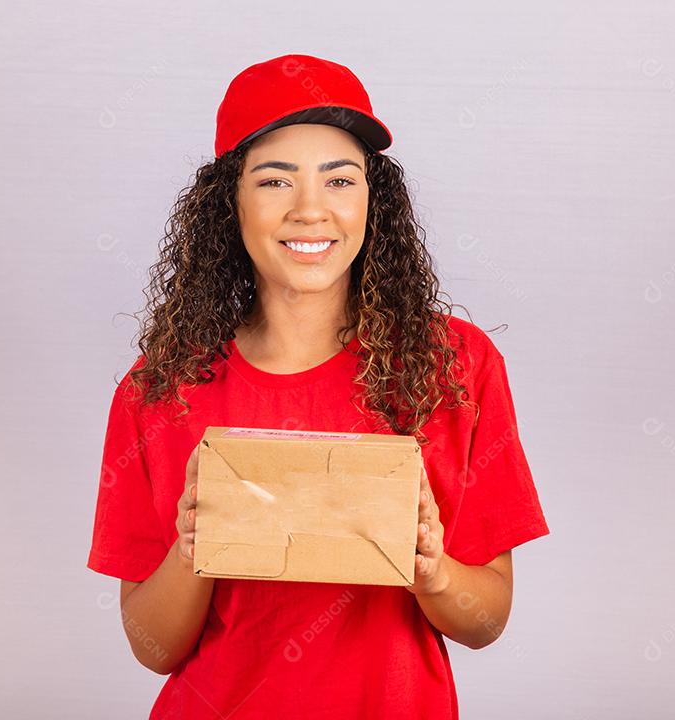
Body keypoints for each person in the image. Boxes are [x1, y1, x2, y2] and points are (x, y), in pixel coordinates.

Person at [86, 53, 550, 719]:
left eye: (340, 180)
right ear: (229, 204)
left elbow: (485, 622)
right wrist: (195, 545)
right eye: (275, 181)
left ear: (372, 200)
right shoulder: (159, 389)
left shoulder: (454, 367)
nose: (311, 210)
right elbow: (155, 647)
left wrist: (433, 569)